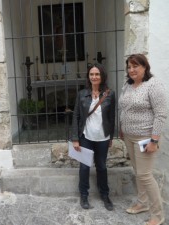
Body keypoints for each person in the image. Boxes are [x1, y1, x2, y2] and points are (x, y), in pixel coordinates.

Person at [119, 54, 167, 225]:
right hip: (129, 137)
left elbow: (160, 115)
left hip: (145, 138)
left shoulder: (153, 85)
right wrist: (121, 128)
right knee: (137, 171)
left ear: (145, 67)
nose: (131, 70)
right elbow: (124, 108)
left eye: (135, 66)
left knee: (145, 175)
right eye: (129, 66)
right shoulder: (128, 85)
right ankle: (142, 203)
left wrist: (154, 141)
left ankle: (158, 215)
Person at [71, 63, 116, 211]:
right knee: (84, 167)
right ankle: (84, 195)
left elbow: (111, 117)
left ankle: (105, 194)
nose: (94, 77)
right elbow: (76, 116)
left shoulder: (110, 94)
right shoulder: (82, 94)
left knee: (102, 167)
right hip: (86, 137)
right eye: (92, 74)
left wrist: (110, 137)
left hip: (102, 137)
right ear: (88, 76)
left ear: (102, 76)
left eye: (97, 74)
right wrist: (75, 138)